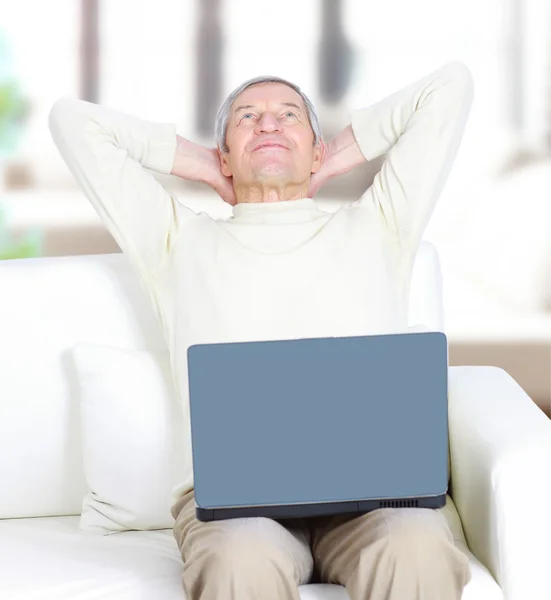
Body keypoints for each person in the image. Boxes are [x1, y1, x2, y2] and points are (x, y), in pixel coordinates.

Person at [49, 59, 474, 600]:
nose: (268, 124)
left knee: (417, 547)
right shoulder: (176, 243)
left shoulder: (380, 224)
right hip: (237, 513)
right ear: (224, 152)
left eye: (288, 116)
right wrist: (205, 165)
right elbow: (73, 122)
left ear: (317, 149)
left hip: (376, 505)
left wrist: (330, 158)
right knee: (239, 560)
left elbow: (450, 87)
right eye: (248, 117)